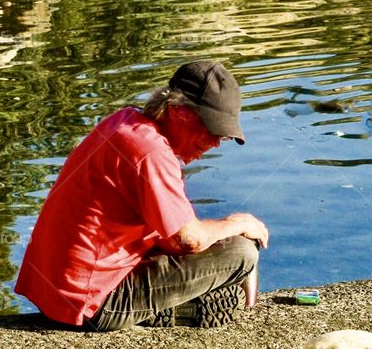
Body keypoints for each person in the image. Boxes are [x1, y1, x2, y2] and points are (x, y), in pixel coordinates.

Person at [15, 60, 269, 330]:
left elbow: (171, 238)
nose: (216, 142)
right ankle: (182, 310)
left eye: (223, 136)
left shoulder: (125, 120)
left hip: (54, 290)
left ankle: (166, 303)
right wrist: (238, 224)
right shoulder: (151, 153)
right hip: (91, 303)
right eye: (212, 129)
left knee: (212, 240)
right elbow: (189, 240)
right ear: (178, 111)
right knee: (241, 251)